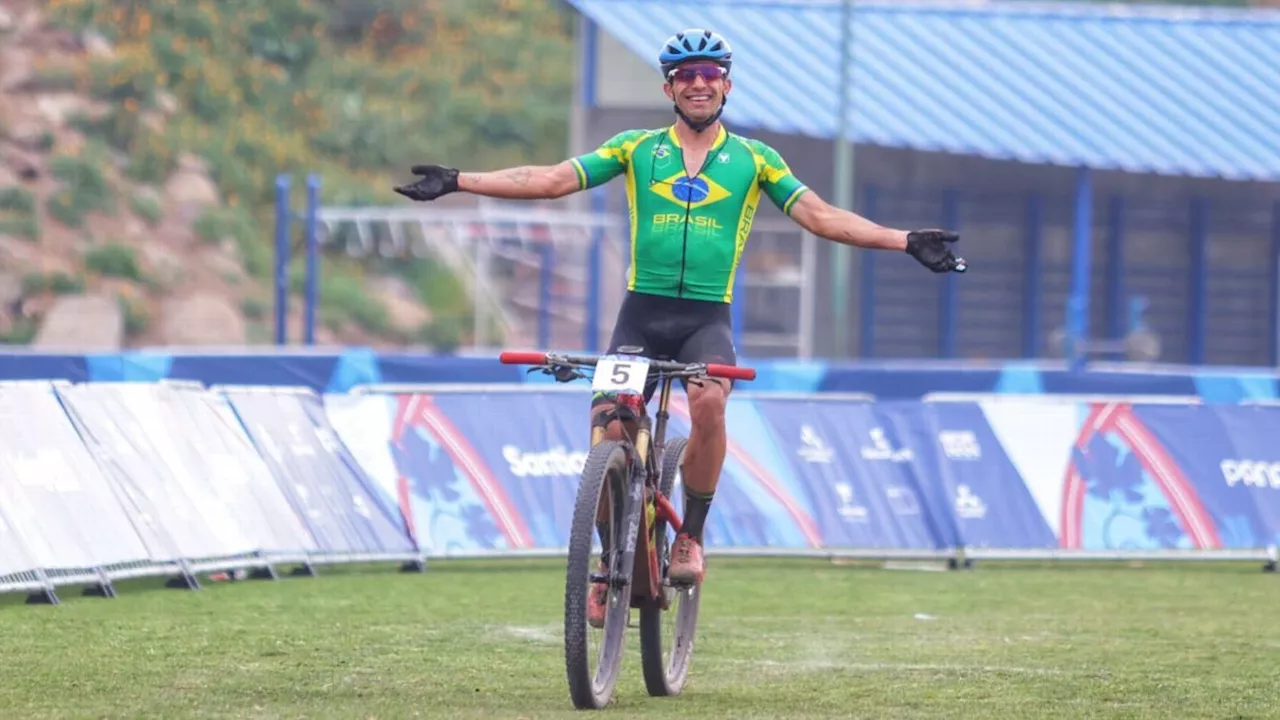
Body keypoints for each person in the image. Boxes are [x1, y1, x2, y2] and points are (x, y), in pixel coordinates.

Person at [393, 28, 966, 627]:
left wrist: (903, 242)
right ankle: (607, 563)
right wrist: (460, 181)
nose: (698, 83)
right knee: (609, 424)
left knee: (710, 403)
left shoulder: (756, 159)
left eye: (709, 74)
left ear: (726, 85)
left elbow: (820, 216)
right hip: (641, 316)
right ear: (669, 86)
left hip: (705, 320)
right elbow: (551, 178)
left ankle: (689, 536)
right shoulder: (635, 148)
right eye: (686, 75)